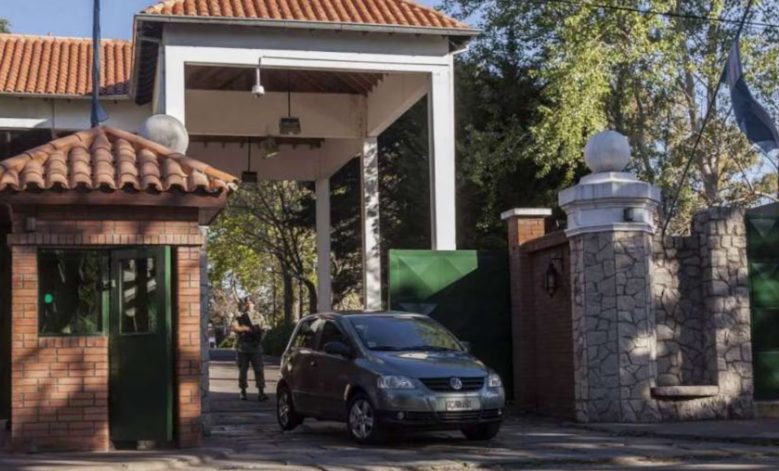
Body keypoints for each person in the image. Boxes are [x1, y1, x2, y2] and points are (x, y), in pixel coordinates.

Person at [231, 297, 269, 401]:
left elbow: (264, 329)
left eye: (250, 303)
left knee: (259, 370)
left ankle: (261, 392)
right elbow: (234, 327)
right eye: (246, 303)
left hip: (256, 347)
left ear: (254, 304)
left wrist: (260, 338)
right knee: (243, 371)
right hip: (243, 347)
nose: (248, 305)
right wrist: (245, 328)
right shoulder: (240, 317)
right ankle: (243, 391)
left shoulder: (259, 316)